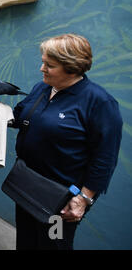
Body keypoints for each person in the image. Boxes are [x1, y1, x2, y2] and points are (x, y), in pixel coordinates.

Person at [11, 33, 123, 250]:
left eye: (49, 65)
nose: (42, 69)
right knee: (25, 240)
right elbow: (20, 115)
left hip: (59, 199)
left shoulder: (100, 103)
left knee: (53, 244)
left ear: (72, 67)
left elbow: (105, 158)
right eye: (43, 62)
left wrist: (83, 198)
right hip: (27, 183)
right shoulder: (42, 88)